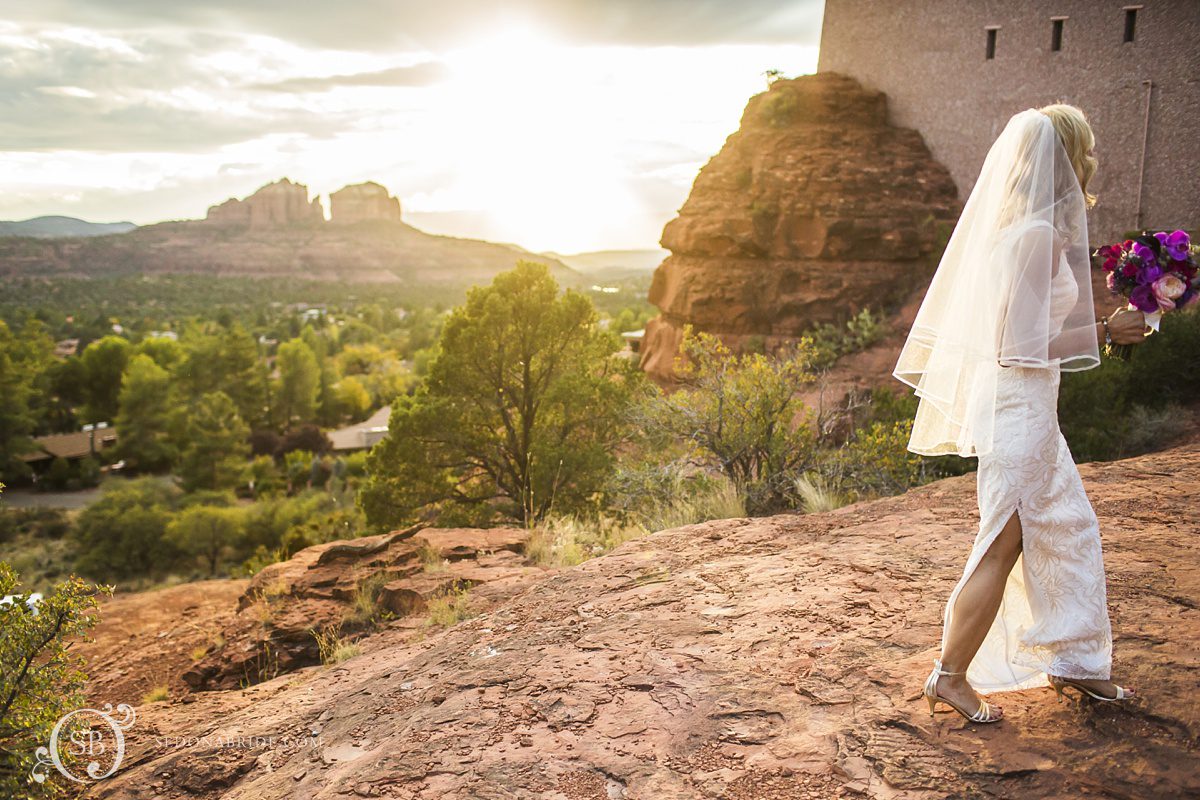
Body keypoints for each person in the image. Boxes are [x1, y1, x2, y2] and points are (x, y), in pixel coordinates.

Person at [892, 103, 1148, 724]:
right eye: (1084, 151)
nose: (1091, 161)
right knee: (1004, 543)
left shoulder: (1018, 230)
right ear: (1062, 160)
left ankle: (1076, 664)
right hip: (1020, 414)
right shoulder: (1032, 236)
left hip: (1029, 410)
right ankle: (949, 677)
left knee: (1067, 530)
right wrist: (1108, 332)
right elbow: (1018, 347)